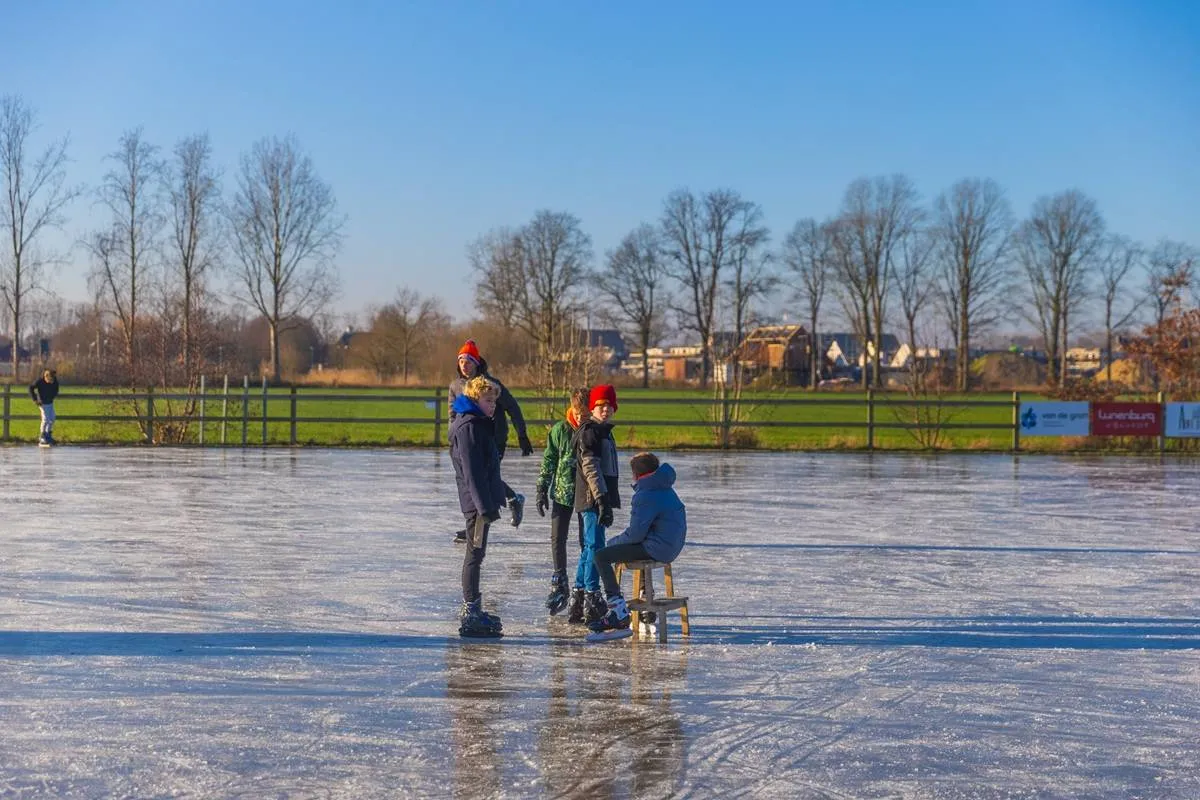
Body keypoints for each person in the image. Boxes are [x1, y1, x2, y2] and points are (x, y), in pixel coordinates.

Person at [589, 452, 687, 634]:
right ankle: (644, 593)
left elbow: (634, 535)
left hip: (658, 548)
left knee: (601, 555)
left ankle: (618, 610)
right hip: (671, 545)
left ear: (636, 474)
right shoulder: (664, 486)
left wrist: (612, 543)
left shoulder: (646, 494)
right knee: (633, 549)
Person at [449, 339, 532, 540]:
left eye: (468, 361)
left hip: (493, 439)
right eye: (461, 361)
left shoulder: (491, 386)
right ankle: (510, 500)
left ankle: (505, 503)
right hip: (467, 440)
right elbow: (452, 415)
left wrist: (522, 434)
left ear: (477, 363)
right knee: (472, 480)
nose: (464, 365)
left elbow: (512, 407)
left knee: (481, 477)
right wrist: (453, 439)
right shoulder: (456, 386)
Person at [448, 375, 507, 638]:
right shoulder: (469, 427)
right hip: (476, 505)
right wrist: (484, 507)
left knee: (477, 554)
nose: (492, 405)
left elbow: (487, 468)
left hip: (480, 501)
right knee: (474, 554)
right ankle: (471, 610)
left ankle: (473, 608)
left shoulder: (478, 424)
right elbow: (472, 473)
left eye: (494, 401)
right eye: (487, 400)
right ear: (474, 399)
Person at [566, 384, 621, 625]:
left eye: (609, 405)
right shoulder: (591, 432)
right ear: (592, 408)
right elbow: (591, 468)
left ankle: (578, 595)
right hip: (592, 498)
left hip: (594, 496)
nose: (605, 410)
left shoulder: (602, 431)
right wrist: (601, 499)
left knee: (590, 546)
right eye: (600, 406)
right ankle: (591, 594)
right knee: (596, 547)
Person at [535, 386, 589, 615]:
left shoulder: (593, 431)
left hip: (586, 495)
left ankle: (585, 586)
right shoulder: (560, 430)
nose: (580, 417)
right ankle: (559, 581)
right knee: (557, 538)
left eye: (585, 413)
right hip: (562, 494)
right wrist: (541, 488)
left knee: (585, 541)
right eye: (577, 412)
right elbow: (549, 460)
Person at [29, 368, 60, 446]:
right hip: (42, 403)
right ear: (46, 376)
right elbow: (30, 388)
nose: (51, 382)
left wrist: (52, 396)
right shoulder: (39, 381)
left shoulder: (54, 381)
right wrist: (35, 399)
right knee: (45, 419)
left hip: (50, 402)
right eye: (50, 380)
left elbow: (56, 389)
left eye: (52, 380)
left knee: (52, 418)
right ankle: (42, 436)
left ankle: (48, 435)